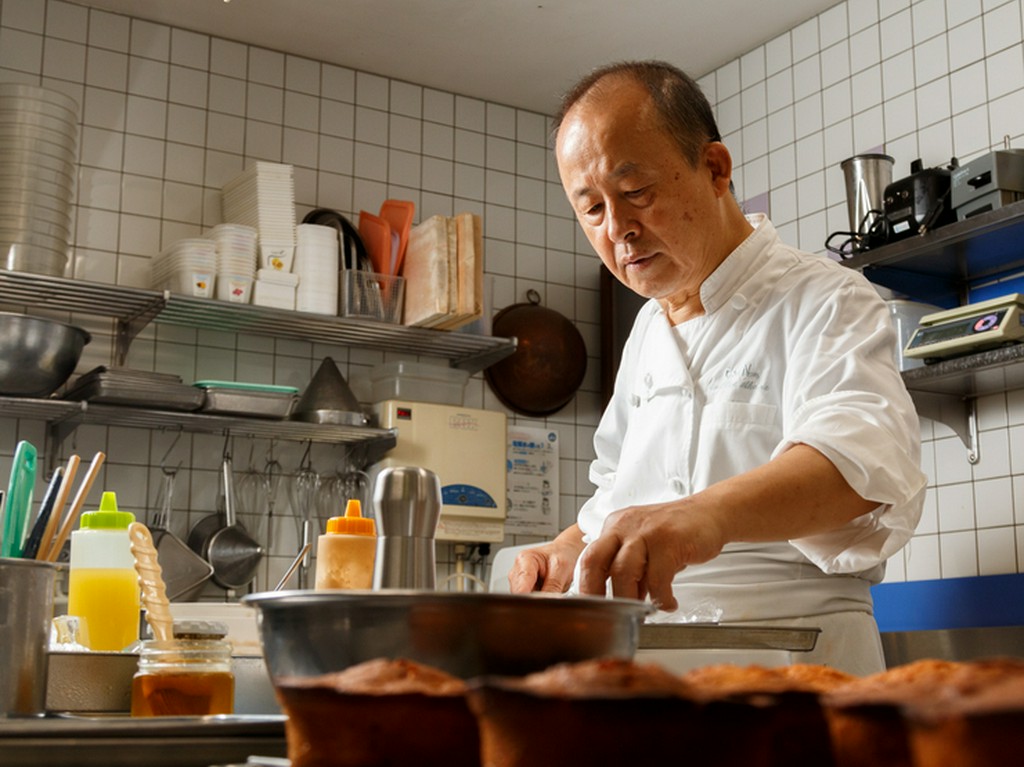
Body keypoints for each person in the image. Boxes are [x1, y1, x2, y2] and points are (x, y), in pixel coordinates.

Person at [508, 60, 926, 675]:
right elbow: (620, 487)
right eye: (592, 209)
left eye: (635, 192)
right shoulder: (648, 330)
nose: (618, 229)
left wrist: (706, 516)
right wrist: (571, 549)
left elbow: (859, 464)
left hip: (795, 664)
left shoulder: (828, 299)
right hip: (653, 677)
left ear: (714, 169)